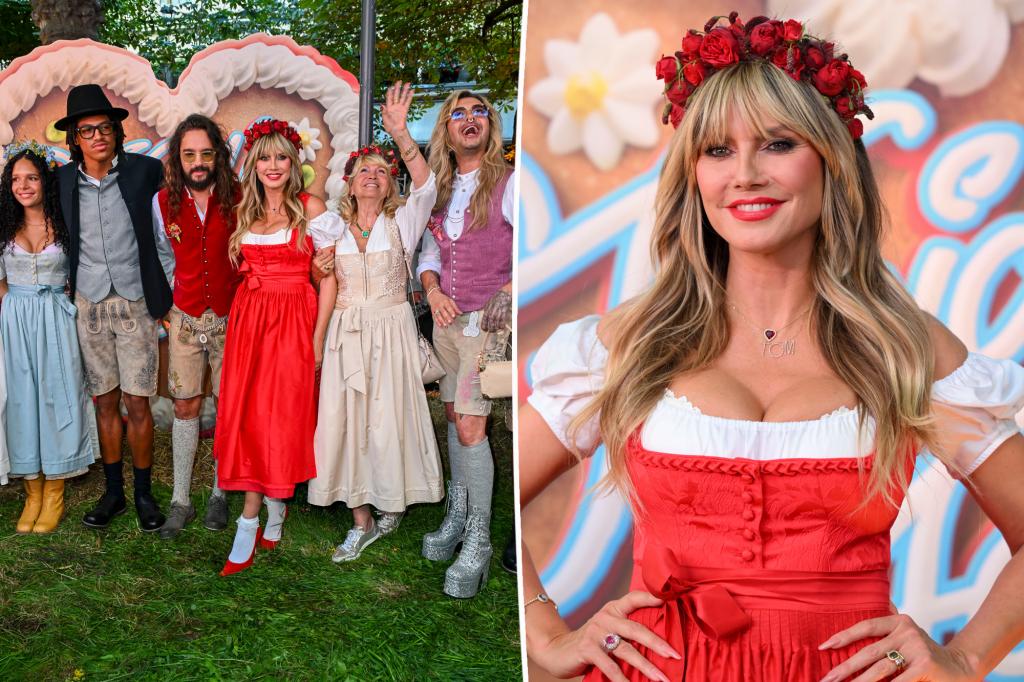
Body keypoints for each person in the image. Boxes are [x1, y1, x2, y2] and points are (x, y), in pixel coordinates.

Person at [520, 13, 1024, 682]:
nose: (746, 175)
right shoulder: (630, 343)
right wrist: (544, 631)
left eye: (778, 143)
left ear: (831, 158)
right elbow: (493, 485)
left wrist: (964, 658)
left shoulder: (906, 348)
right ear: (693, 172)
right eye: (717, 151)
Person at [308, 82, 443, 563]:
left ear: (390, 183)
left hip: (392, 329)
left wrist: (402, 134)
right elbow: (317, 276)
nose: (372, 175)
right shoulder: (328, 226)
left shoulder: (403, 222)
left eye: (381, 171)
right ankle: (360, 518)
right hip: (348, 332)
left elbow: (427, 186)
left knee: (388, 419)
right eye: (363, 169)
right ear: (349, 181)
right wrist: (317, 271)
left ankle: (392, 499)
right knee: (347, 421)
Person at [55, 84, 175, 532]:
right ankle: (114, 493)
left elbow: (167, 231)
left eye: (105, 128)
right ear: (76, 139)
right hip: (89, 301)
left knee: (137, 402)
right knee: (103, 400)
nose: (98, 137)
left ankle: (143, 494)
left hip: (135, 300)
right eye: (87, 131)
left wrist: (169, 292)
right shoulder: (62, 181)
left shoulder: (146, 172)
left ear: (117, 132)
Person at [214, 118, 331, 576]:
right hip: (251, 324)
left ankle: (252, 519)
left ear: (295, 160)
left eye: (282, 156)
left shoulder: (313, 208)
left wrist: (317, 340)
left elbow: (329, 280)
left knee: (280, 418)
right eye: (264, 157)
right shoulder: (247, 212)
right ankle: (272, 510)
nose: (273, 165)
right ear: (253, 164)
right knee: (247, 415)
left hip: (292, 322)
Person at [416, 89, 514, 598]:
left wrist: (511, 290)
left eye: (480, 112)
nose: (470, 119)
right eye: (459, 113)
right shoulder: (442, 188)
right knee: (455, 416)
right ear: (447, 132)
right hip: (447, 321)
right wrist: (431, 292)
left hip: (486, 323)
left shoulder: (509, 183)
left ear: (489, 128)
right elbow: (430, 249)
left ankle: (477, 539)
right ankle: (459, 515)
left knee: (473, 425)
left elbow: (536, 241)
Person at [152, 115, 242, 539]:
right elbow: (162, 255)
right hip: (185, 317)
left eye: (206, 153)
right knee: (185, 405)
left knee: (227, 404)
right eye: (189, 154)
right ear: (178, 157)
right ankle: (181, 500)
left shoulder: (241, 196)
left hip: (232, 316)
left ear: (218, 156)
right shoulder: (161, 201)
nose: (198, 161)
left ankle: (221, 493)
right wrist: (172, 305)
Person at [0, 140, 95, 533]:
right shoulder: (4, 224)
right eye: (16, 179)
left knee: (59, 395)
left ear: (45, 182)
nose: (24, 186)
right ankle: (32, 490)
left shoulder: (66, 223)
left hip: (56, 317)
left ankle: (55, 488)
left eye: (32, 178)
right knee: (20, 399)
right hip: (15, 319)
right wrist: (13, 309)